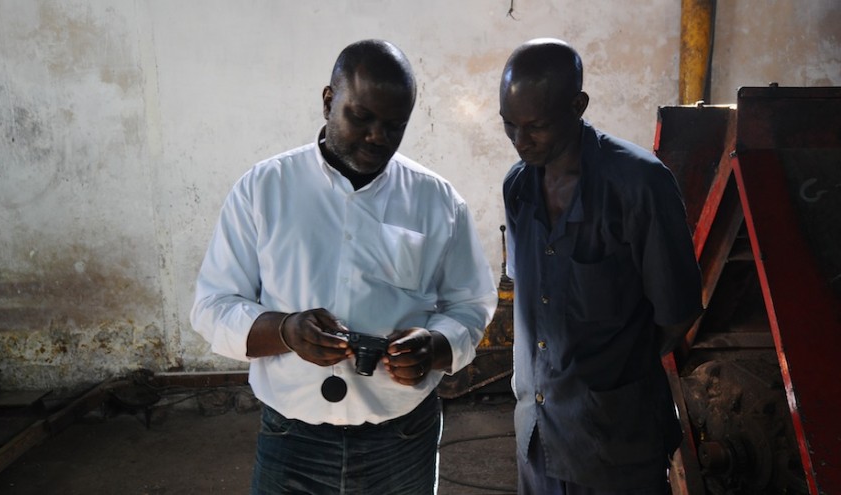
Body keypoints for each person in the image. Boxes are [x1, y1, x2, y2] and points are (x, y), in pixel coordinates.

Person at [190, 39, 497, 494]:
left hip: (402, 437)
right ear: (329, 100)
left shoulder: (437, 201)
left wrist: (435, 344)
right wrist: (285, 330)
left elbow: (470, 305)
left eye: (394, 125)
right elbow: (212, 307)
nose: (377, 136)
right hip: (292, 439)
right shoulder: (264, 189)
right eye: (362, 117)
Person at [499, 39, 703, 494]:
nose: (520, 141)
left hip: (615, 444)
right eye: (508, 125)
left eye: (535, 127)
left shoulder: (639, 185)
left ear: (578, 105)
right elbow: (532, 304)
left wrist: (609, 369)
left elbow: (676, 316)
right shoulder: (518, 188)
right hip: (537, 434)